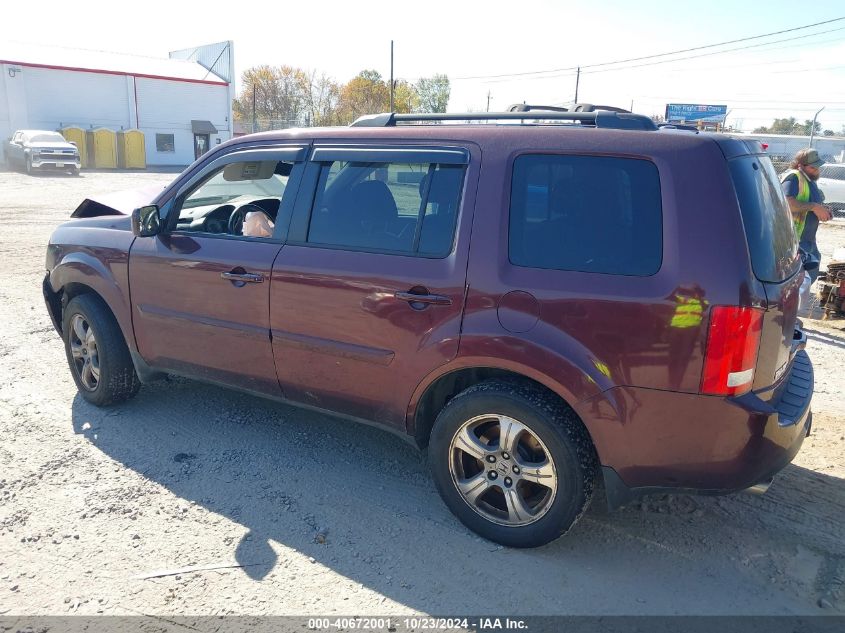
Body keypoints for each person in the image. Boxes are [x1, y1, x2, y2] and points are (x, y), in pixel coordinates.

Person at [780, 148, 832, 311]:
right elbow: (786, 202)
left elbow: (810, 204)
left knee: (810, 273)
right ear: (801, 165)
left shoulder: (808, 179)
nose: (817, 170)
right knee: (800, 280)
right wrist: (814, 207)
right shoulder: (794, 177)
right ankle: (787, 317)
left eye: (817, 167)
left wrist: (822, 209)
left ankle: (789, 314)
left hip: (807, 238)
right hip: (794, 239)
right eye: (813, 167)